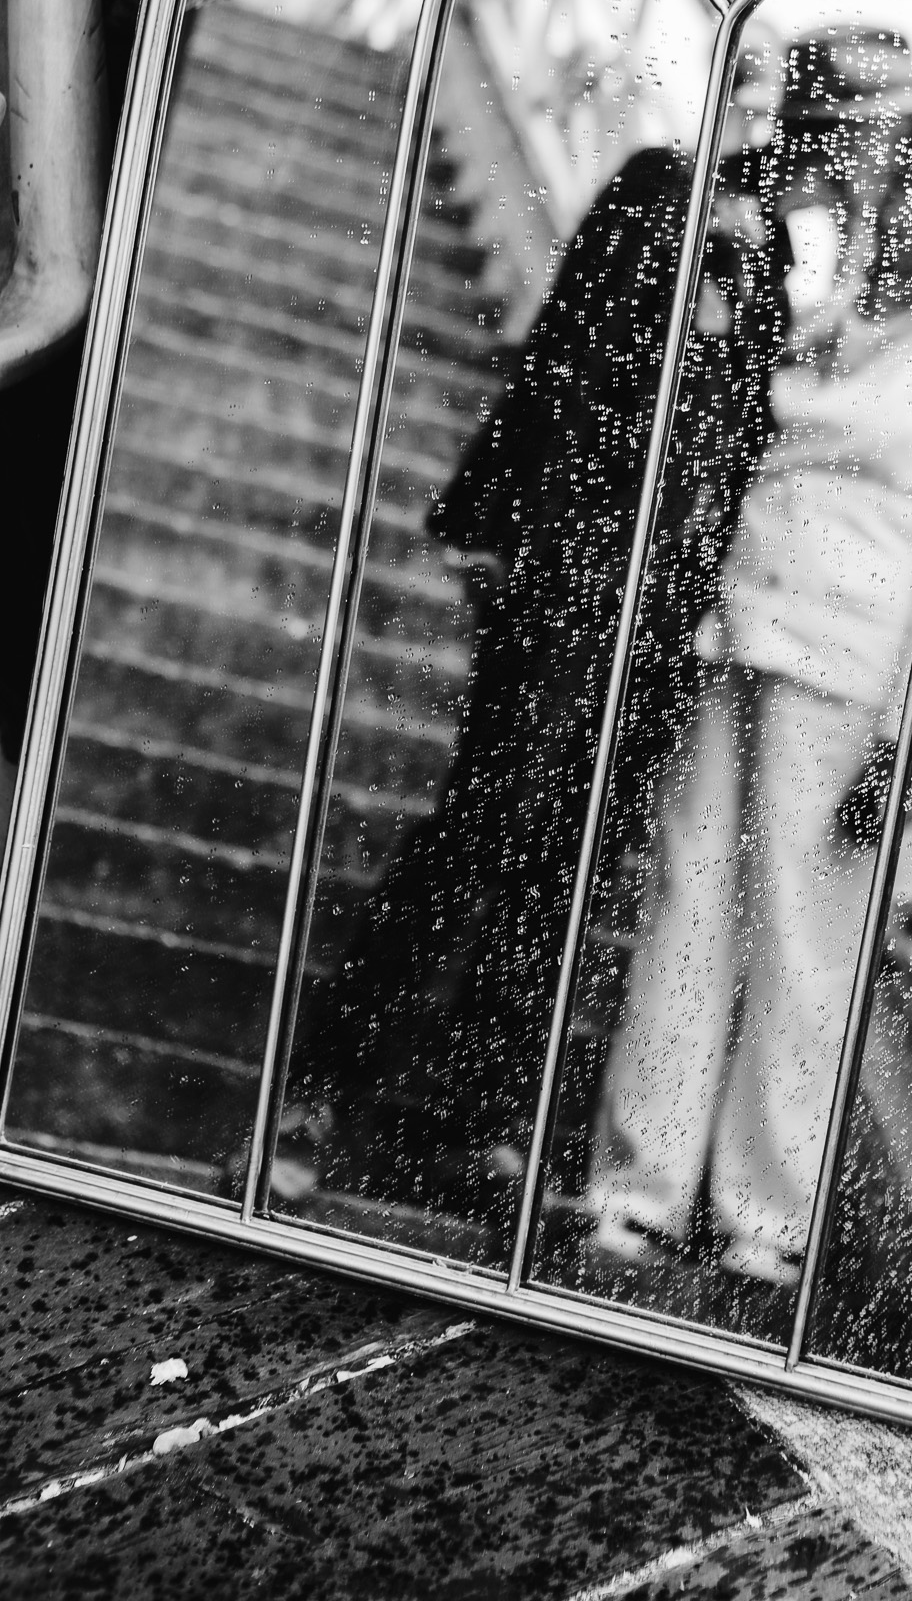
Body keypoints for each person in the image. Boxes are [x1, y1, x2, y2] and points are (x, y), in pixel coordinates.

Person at [288, 76, 790, 1234]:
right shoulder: (658, 188)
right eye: (750, 95)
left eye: (785, 112)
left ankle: (479, 1122)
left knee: (574, 864)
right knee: (484, 826)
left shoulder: (776, 270)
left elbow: (750, 439)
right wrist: (496, 528)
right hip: (571, 575)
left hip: (670, 617)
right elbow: (564, 359)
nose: (764, 129)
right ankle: (318, 1093)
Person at [588, 98, 912, 1288]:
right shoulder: (835, 314)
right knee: (689, 904)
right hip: (739, 628)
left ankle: (764, 1214)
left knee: (805, 937)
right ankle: (637, 1184)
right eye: (889, 185)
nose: (889, 206)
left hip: (853, 672)